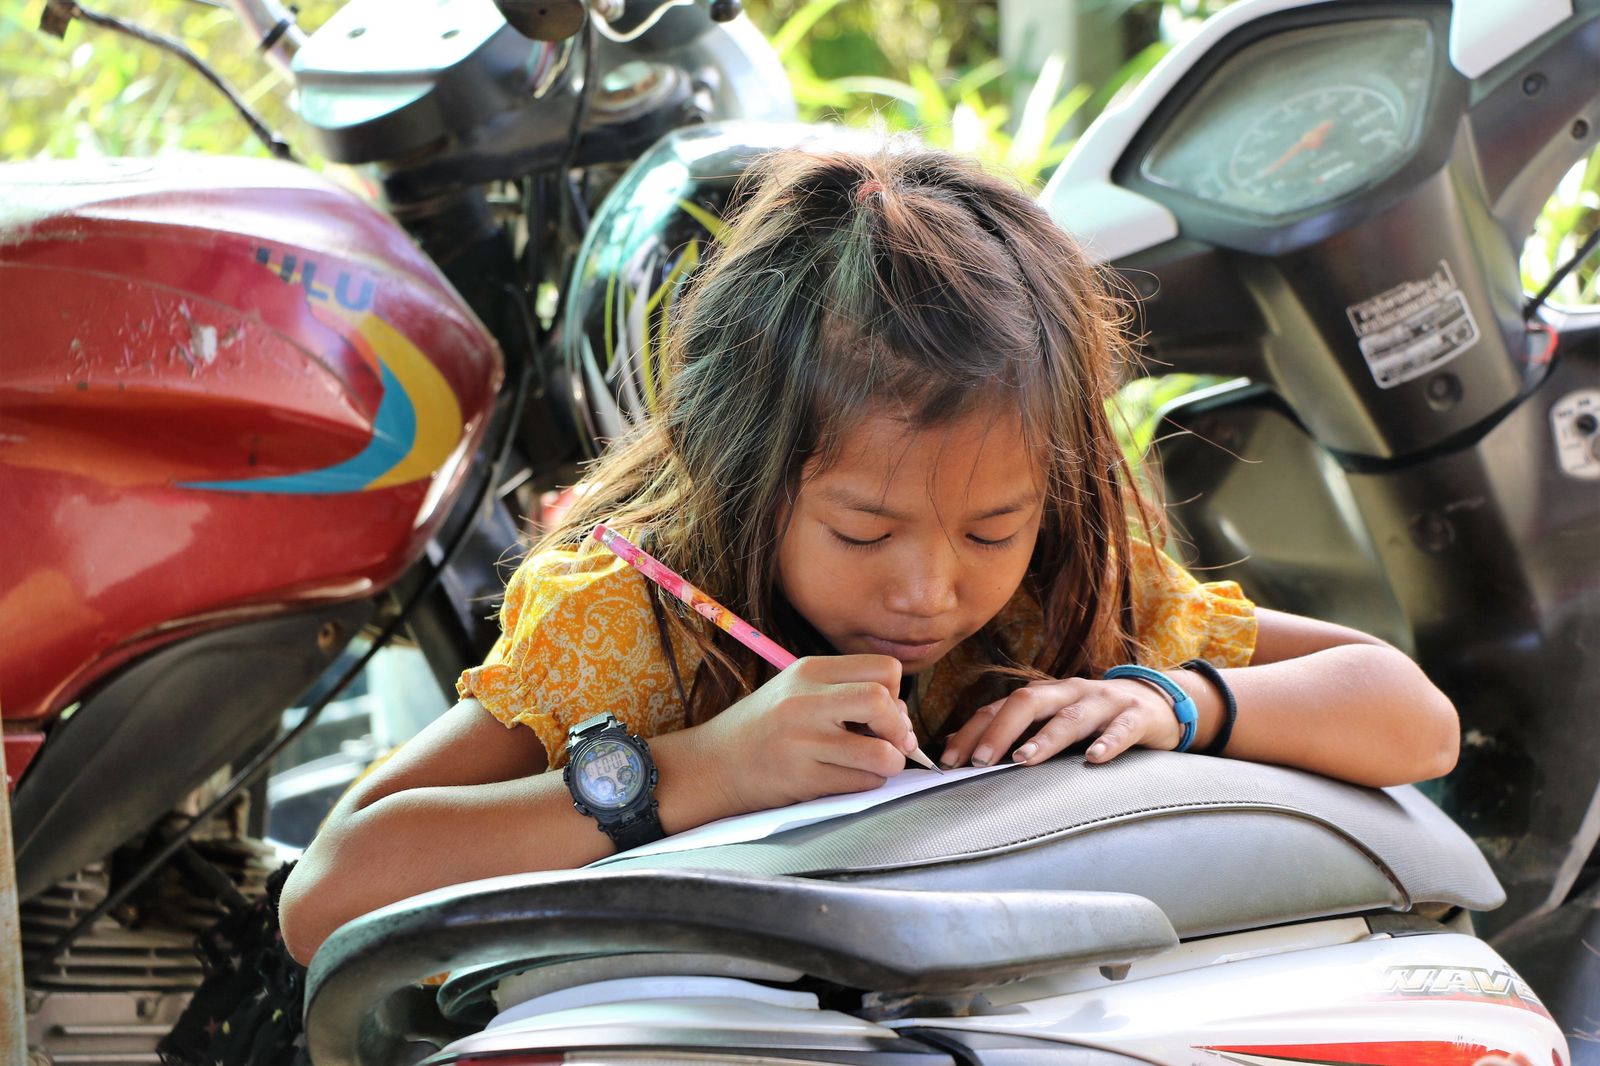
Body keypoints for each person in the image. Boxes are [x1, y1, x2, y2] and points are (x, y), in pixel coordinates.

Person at [277, 142, 1460, 966]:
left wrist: (1174, 702)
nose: (928, 588)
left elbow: (1412, 718)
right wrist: (702, 772)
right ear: (740, 470)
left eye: (992, 527)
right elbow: (331, 891)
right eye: (861, 529)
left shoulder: (1069, 592)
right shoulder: (635, 622)